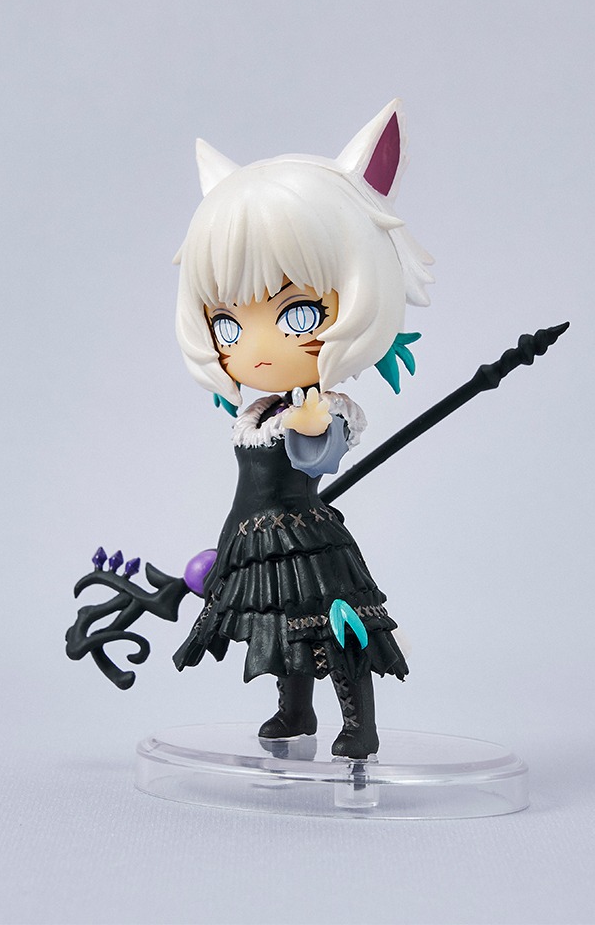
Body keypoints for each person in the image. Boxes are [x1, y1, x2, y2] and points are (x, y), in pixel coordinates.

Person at [171, 100, 434, 758]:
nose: (257, 348)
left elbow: (321, 458)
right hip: (251, 537)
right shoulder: (254, 415)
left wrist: (315, 431)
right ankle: (295, 711)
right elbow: (250, 485)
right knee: (280, 628)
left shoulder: (323, 407)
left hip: (305, 538)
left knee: (332, 628)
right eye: (228, 324)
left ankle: (359, 723)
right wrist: (224, 549)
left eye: (297, 315)